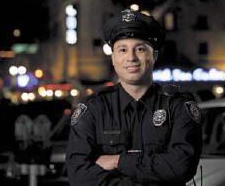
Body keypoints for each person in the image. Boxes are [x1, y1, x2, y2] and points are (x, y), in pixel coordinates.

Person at [66, 9, 203, 186]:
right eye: (122, 50)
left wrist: (118, 161)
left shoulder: (177, 106)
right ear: (114, 58)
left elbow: (181, 167)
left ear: (153, 56)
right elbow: (79, 176)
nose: (131, 58)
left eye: (140, 49)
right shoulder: (94, 109)